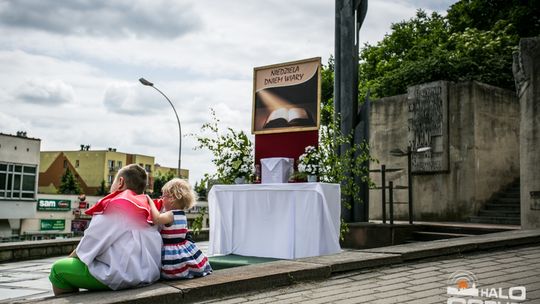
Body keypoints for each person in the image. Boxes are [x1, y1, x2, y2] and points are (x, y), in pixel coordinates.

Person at [49, 164, 161, 295]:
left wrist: (70, 259)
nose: (110, 187)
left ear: (120, 182)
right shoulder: (150, 209)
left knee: (58, 270)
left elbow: (86, 248)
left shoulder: (116, 206)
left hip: (123, 277)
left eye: (113, 181)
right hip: (149, 274)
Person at [147, 178, 212, 279]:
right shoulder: (181, 214)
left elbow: (156, 219)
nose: (161, 198)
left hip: (171, 253)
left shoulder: (170, 214)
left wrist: (150, 202)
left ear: (172, 198)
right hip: (183, 249)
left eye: (163, 196)